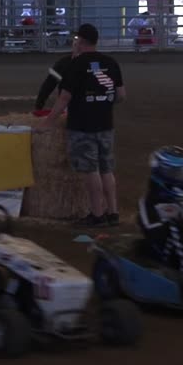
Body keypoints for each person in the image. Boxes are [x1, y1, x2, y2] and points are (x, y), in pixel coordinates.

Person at [36, 24, 125, 228]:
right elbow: (121, 96)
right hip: (106, 124)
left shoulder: (74, 64)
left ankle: (97, 214)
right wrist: (102, 103)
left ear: (81, 41)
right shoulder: (111, 62)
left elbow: (64, 98)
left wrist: (47, 122)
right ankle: (113, 212)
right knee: (106, 169)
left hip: (82, 126)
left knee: (91, 170)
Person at [136, 146, 183, 271]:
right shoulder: (148, 204)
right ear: (163, 174)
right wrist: (181, 220)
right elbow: (156, 236)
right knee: (177, 227)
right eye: (179, 174)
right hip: (170, 259)